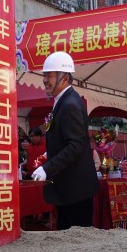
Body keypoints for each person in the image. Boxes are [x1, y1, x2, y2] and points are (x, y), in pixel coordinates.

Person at [30, 51, 99, 229]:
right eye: (44, 75)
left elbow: (75, 145)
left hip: (75, 190)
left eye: (50, 75)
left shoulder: (70, 104)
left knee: (78, 243)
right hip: (68, 189)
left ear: (65, 78)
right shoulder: (63, 101)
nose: (45, 80)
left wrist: (47, 168)